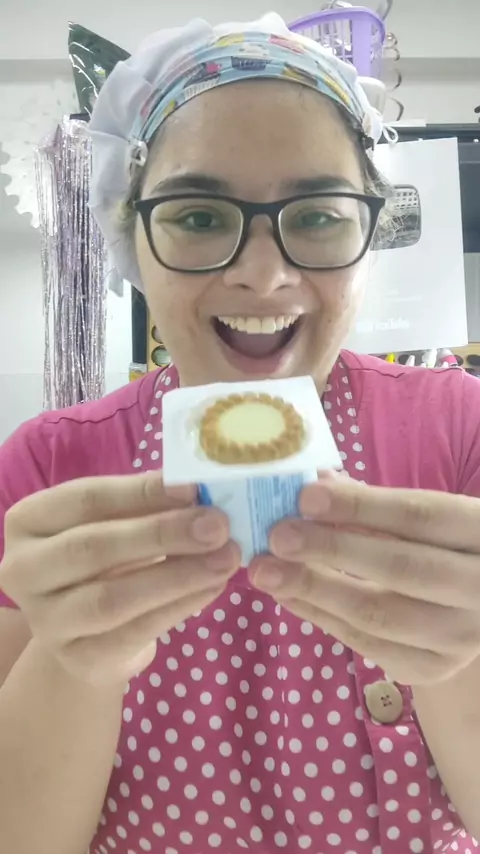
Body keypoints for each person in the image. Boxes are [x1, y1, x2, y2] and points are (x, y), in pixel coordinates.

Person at [0, 12, 479, 854]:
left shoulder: (460, 431)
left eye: (318, 216)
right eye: (198, 217)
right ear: (132, 234)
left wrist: (458, 656)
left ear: (370, 234)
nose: (264, 273)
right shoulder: (49, 467)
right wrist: (74, 661)